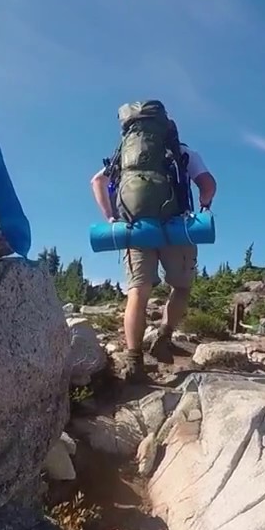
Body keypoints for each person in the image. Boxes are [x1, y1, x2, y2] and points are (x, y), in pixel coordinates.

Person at [90, 126, 217, 382]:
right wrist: (204, 206)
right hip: (177, 227)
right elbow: (208, 185)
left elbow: (97, 181)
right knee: (181, 288)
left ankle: (134, 361)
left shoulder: (125, 157)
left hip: (135, 229)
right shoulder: (183, 152)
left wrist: (111, 217)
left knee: (138, 291)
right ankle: (163, 337)